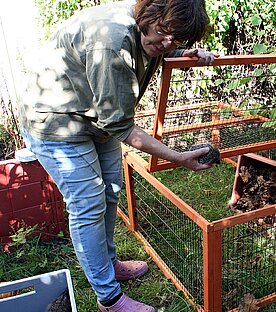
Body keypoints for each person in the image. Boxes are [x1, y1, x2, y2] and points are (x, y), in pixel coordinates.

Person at [18, 0, 218, 311]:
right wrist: (177, 157)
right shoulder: (111, 42)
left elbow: (158, 45)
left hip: (93, 117)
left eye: (176, 40)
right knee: (88, 205)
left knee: (110, 191)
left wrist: (183, 52)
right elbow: (121, 126)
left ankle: (109, 265)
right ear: (150, 14)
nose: (165, 44)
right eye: (164, 33)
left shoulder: (150, 30)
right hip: (56, 121)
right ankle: (109, 299)